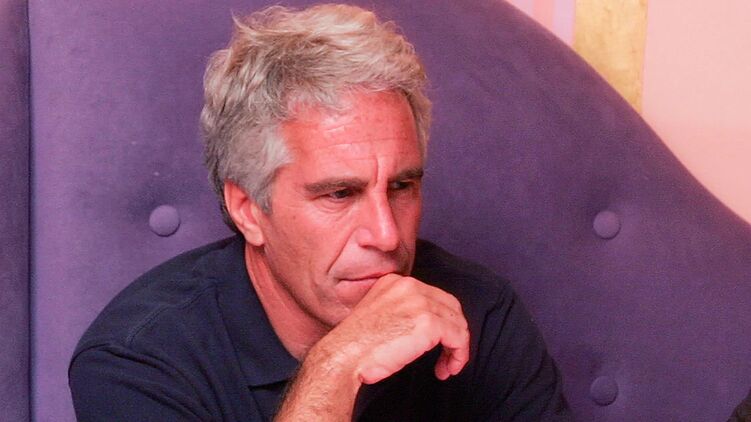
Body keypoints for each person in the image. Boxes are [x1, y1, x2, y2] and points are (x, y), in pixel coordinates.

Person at [69, 4, 570, 421]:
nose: (386, 235)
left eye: (401, 186)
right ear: (248, 210)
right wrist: (336, 364)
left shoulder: (480, 310)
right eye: (339, 194)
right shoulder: (137, 359)